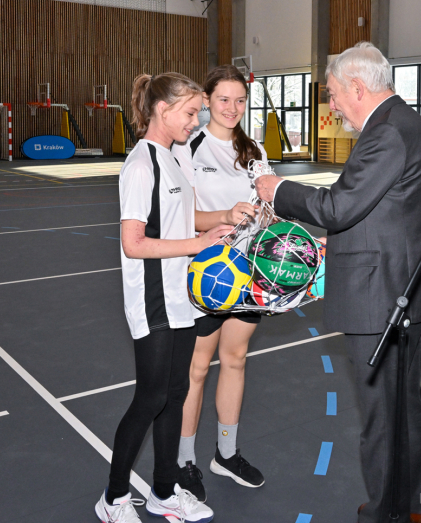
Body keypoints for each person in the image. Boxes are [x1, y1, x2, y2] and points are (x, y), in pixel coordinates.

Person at [254, 42, 421, 523]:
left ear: (358, 88)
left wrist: (277, 189)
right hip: (407, 286)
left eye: (335, 94)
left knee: (382, 416)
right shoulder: (411, 125)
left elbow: (338, 208)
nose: (333, 104)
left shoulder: (386, 134)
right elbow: (387, 210)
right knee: (406, 405)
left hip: (380, 296)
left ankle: (384, 512)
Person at [95, 72, 255, 523]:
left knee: (176, 392)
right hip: (152, 299)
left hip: (180, 297)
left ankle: (165, 492)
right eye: (189, 113)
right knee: (149, 398)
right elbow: (134, 242)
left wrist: (222, 219)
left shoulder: (173, 159)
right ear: (161, 111)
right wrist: (194, 246)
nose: (195, 121)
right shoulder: (141, 164)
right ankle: (113, 498)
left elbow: (186, 221)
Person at [172, 65, 267, 501]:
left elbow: (266, 212)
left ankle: (225, 455)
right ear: (206, 100)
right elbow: (177, 217)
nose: (233, 108)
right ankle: (184, 460)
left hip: (247, 274)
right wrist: (225, 217)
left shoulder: (254, 151)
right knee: (195, 368)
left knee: (236, 359)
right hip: (205, 275)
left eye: (240, 100)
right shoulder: (188, 147)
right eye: (224, 99)